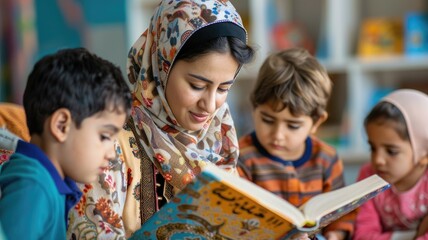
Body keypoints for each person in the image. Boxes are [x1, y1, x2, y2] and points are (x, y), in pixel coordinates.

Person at [66, 0, 257, 239]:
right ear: (161, 66)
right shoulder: (109, 145)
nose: (209, 106)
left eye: (223, 89)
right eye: (197, 86)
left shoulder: (220, 140)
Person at [0, 48, 132, 239]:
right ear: (61, 125)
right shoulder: (34, 186)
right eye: (104, 136)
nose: (111, 153)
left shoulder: (44, 181)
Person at [237, 48, 354, 240]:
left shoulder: (327, 158)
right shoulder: (241, 157)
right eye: (267, 120)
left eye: (292, 126)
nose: (278, 135)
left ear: (316, 122)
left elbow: (342, 215)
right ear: (254, 108)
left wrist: (335, 235)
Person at [353, 89, 428, 240]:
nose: (378, 159)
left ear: (424, 154)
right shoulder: (368, 176)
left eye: (391, 151)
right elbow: (362, 236)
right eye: (372, 148)